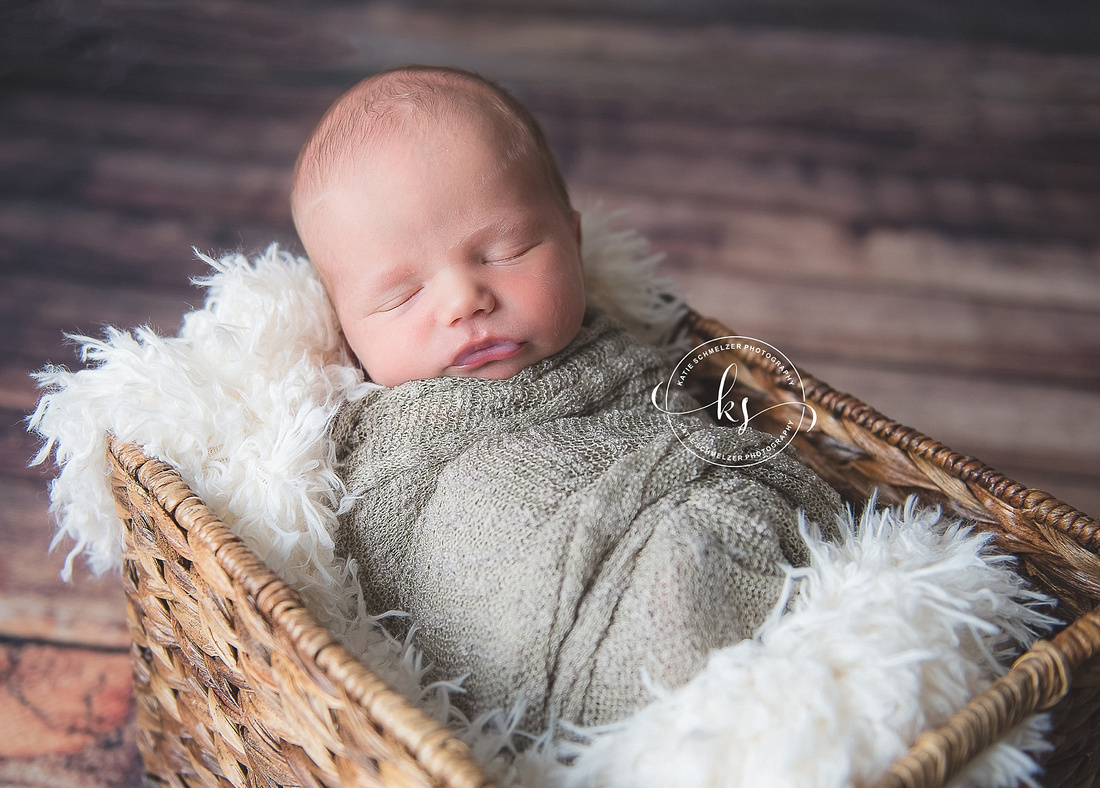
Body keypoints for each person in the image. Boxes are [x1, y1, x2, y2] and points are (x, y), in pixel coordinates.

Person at [291, 64, 842, 731]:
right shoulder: (389, 450)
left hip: (707, 532)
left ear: (574, 243)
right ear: (345, 329)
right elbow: (400, 573)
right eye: (404, 295)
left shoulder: (618, 353)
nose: (466, 300)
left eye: (507, 250)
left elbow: (682, 428)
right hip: (581, 634)